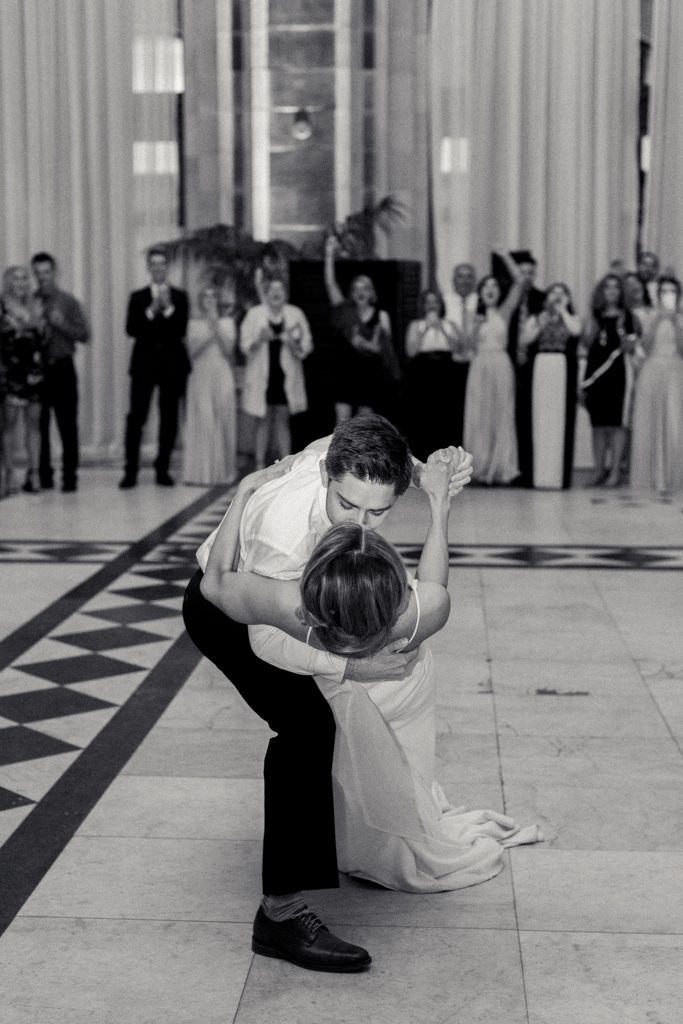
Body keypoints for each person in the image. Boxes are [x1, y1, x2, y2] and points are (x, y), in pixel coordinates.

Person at [183, 414, 472, 972]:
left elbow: (382, 452)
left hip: (291, 594)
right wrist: (350, 670)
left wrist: (430, 472)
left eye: (379, 512)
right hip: (229, 607)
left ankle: (336, 836)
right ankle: (281, 914)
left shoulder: (347, 464)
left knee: (326, 719)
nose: (363, 525)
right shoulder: (282, 542)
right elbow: (262, 634)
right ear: (325, 475)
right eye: (348, 506)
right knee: (306, 726)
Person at [119, 247, 190, 489]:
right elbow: (131, 329)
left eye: (162, 264)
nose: (158, 268)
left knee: (169, 419)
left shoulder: (180, 297)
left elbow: (180, 330)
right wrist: (151, 311)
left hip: (172, 366)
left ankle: (163, 468)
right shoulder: (138, 297)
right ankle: (130, 471)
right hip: (143, 366)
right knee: (136, 418)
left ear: (167, 267)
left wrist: (168, 309)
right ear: (149, 268)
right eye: (154, 264)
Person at [323, 235, 401, 425]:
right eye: (356, 288)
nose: (360, 291)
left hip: (369, 375)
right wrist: (329, 254)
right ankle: (338, 456)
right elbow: (330, 284)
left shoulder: (381, 316)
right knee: (341, 424)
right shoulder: (346, 311)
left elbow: (386, 351)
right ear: (352, 292)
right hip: (345, 372)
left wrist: (366, 345)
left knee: (364, 427)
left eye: (364, 287)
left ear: (372, 292)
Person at [463, 250, 525, 484]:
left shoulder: (505, 312)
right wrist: (476, 327)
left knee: (501, 415)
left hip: (500, 363)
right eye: (485, 286)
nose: (490, 289)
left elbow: (519, 281)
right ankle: (479, 468)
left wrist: (505, 257)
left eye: (494, 286)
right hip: (479, 365)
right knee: (479, 416)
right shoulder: (471, 315)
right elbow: (466, 346)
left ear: (499, 292)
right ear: (480, 292)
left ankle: (501, 469)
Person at [30, 252, 90, 492]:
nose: (42, 277)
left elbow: (84, 335)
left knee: (67, 424)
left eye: (46, 272)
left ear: (55, 272)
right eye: (38, 273)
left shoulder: (68, 301)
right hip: (38, 368)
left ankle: (69, 476)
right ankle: (43, 474)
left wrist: (60, 323)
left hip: (63, 367)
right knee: (39, 424)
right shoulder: (29, 302)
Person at [239, 276, 313, 469]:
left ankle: (286, 466)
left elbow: (306, 347)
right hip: (262, 376)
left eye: (280, 289)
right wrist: (259, 339)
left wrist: (292, 342)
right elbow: (244, 346)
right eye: (272, 289)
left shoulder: (296, 314)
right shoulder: (255, 314)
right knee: (262, 420)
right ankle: (258, 465)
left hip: (284, 377)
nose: (276, 293)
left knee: (282, 420)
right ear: (266, 293)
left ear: (285, 293)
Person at [519, 282, 582, 489]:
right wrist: (541, 320)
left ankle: (557, 477)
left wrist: (563, 310)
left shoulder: (570, 317)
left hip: (561, 366)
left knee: (559, 418)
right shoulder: (537, 317)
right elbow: (526, 339)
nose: (557, 296)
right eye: (553, 293)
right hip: (541, 364)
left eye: (562, 293)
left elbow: (575, 330)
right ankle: (538, 475)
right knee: (540, 417)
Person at [580, 273, 637, 487]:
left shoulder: (628, 316)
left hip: (619, 374)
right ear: (601, 291)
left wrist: (624, 334)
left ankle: (614, 471)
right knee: (598, 424)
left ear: (621, 291)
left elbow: (632, 346)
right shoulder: (595, 315)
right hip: (595, 374)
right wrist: (590, 327)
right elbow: (586, 344)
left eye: (615, 287)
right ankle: (598, 469)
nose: (611, 291)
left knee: (617, 424)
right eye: (607, 287)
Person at [630, 275, 683, 494]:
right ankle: (652, 477)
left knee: (675, 422)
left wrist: (674, 322)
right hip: (652, 370)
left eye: (672, 291)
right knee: (650, 422)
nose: (667, 295)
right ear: (658, 294)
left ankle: (674, 477)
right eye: (664, 291)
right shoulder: (648, 315)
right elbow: (646, 346)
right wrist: (658, 320)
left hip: (676, 370)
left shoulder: (680, 318)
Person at [182, 285, 237, 485]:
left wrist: (216, 325)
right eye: (206, 296)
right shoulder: (193, 324)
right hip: (200, 374)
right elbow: (193, 352)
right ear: (201, 301)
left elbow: (229, 350)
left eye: (213, 296)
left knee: (222, 418)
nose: (210, 299)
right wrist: (210, 328)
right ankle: (200, 473)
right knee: (204, 419)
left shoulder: (228, 323)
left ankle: (222, 473)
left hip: (221, 372)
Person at [0, 266, 46, 495]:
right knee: (8, 425)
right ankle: (8, 474)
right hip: (10, 372)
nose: (21, 282)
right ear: (8, 282)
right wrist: (15, 327)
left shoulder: (36, 306)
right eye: (16, 279)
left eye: (24, 278)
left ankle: (34, 473)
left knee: (34, 424)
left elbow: (44, 338)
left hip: (34, 372)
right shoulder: (2, 307)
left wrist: (38, 325)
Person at [404, 288, 460, 460]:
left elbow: (458, 350)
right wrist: (425, 329)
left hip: (445, 370)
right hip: (423, 369)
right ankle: (421, 456)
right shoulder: (416, 325)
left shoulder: (450, 325)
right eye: (428, 302)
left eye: (435, 302)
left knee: (444, 414)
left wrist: (441, 328)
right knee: (423, 413)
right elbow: (410, 351)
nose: (432, 306)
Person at [444, 262, 478, 446]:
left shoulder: (480, 301)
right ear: (453, 280)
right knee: (453, 412)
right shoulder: (445, 301)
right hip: (451, 364)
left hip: (475, 364)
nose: (464, 281)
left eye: (468, 276)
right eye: (460, 276)